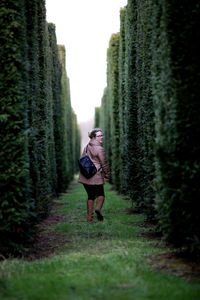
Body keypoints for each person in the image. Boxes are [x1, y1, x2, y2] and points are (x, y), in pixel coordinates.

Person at [78, 128, 110, 222]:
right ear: (93, 137)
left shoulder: (87, 147)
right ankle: (98, 209)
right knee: (100, 194)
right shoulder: (100, 149)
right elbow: (104, 163)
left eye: (102, 135)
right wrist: (107, 175)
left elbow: (83, 160)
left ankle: (89, 218)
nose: (102, 137)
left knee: (90, 196)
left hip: (86, 175)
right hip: (96, 175)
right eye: (99, 136)